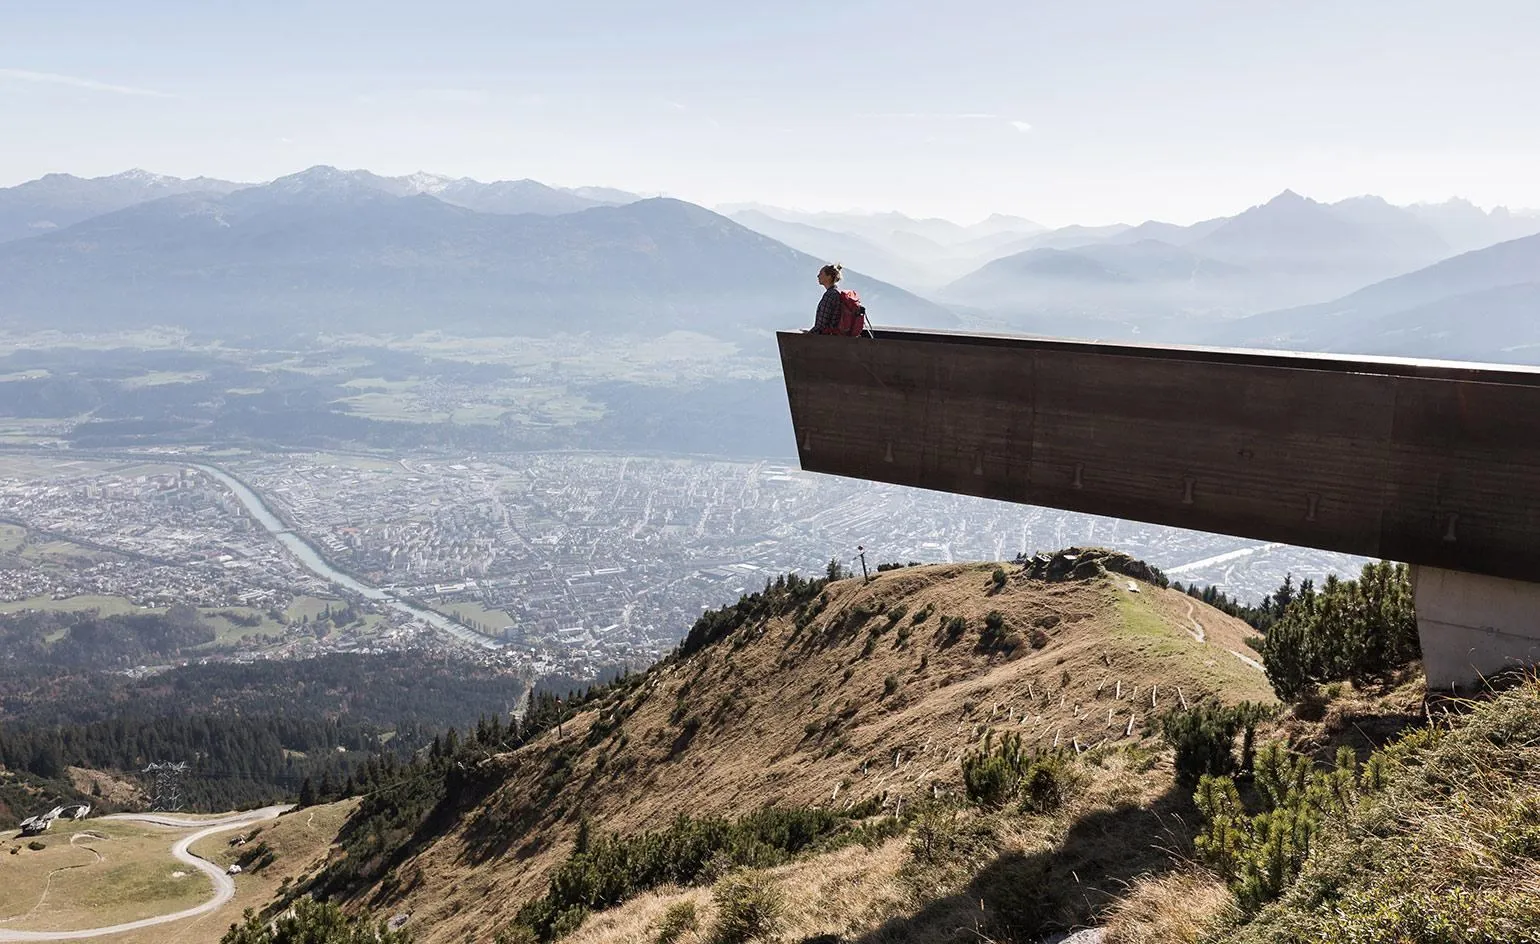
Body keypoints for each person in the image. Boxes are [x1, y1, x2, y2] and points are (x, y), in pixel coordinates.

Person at [809, 263, 845, 333]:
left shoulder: (830, 295)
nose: (818, 276)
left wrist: (808, 334)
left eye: (821, 274)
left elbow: (821, 324)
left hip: (826, 337)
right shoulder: (837, 293)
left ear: (829, 277)